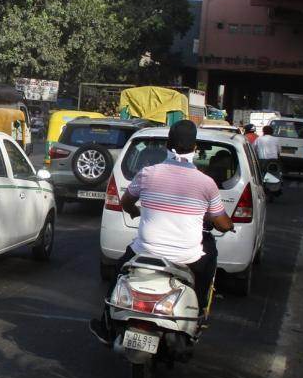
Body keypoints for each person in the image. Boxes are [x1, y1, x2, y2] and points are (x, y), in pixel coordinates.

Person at [92, 121, 235, 343]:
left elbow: (126, 202)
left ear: (167, 145)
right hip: (187, 257)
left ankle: (106, 323)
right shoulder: (207, 183)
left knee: (119, 269)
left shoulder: (148, 173)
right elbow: (222, 223)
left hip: (145, 252)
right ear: (195, 147)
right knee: (209, 261)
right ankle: (198, 314)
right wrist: (227, 224)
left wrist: (137, 212)